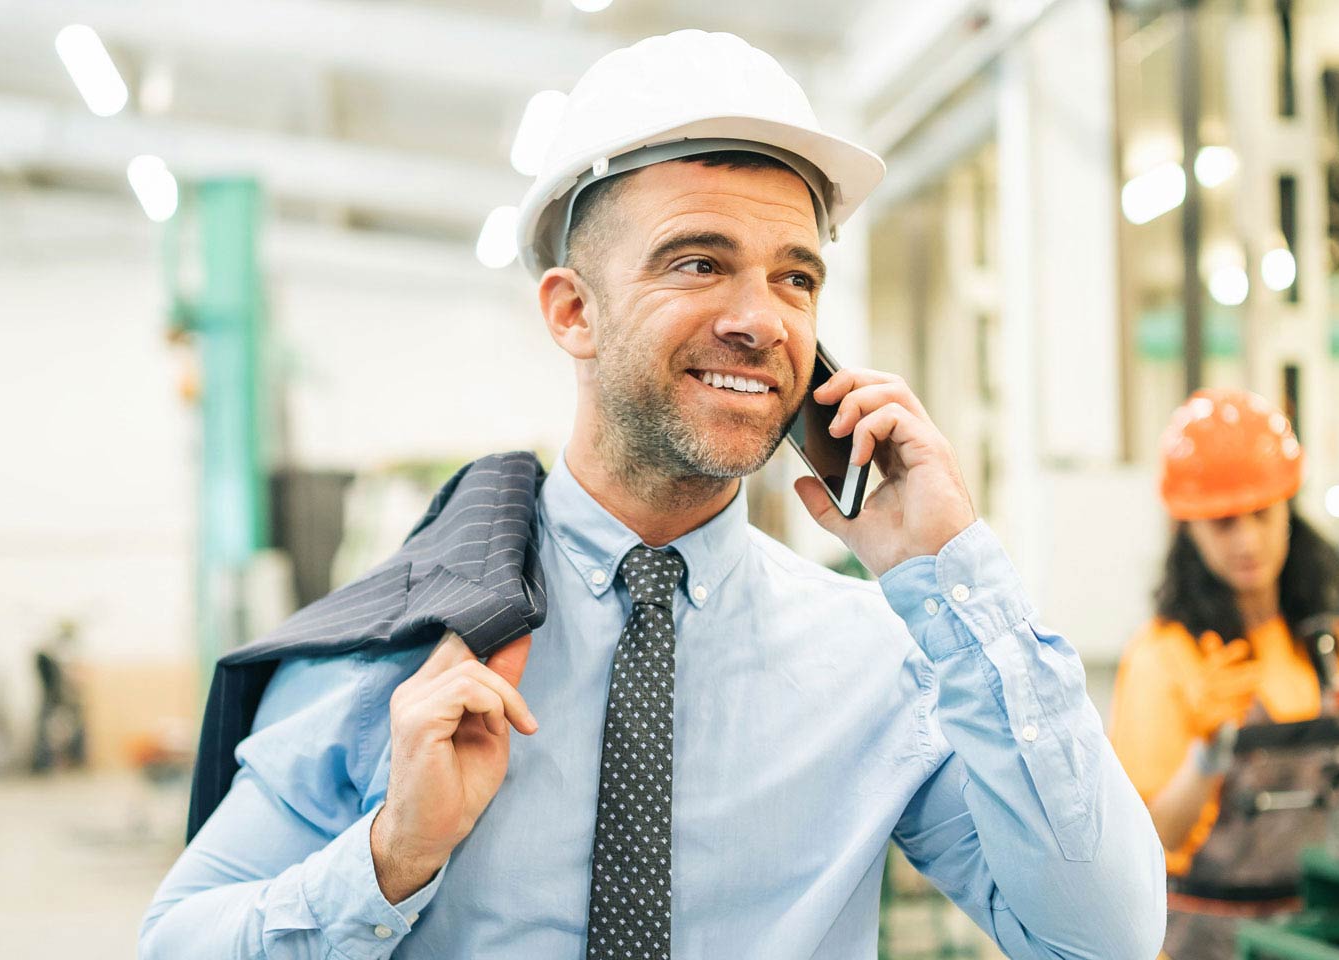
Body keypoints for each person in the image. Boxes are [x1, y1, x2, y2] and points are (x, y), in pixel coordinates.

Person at [141, 29, 1165, 959]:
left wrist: (953, 573)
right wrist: (390, 855)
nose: (762, 321)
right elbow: (179, 941)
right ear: (572, 310)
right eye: (700, 261)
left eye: (796, 277)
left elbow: (1101, 938)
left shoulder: (887, 661)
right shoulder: (405, 649)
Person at [1109, 388, 1339, 958]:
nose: (1247, 541)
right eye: (1223, 523)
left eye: (1261, 514)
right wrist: (1207, 754)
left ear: (1288, 510)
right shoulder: (1163, 657)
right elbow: (1145, 846)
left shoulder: (1326, 643)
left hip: (1318, 935)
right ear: (1190, 531)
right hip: (1204, 941)